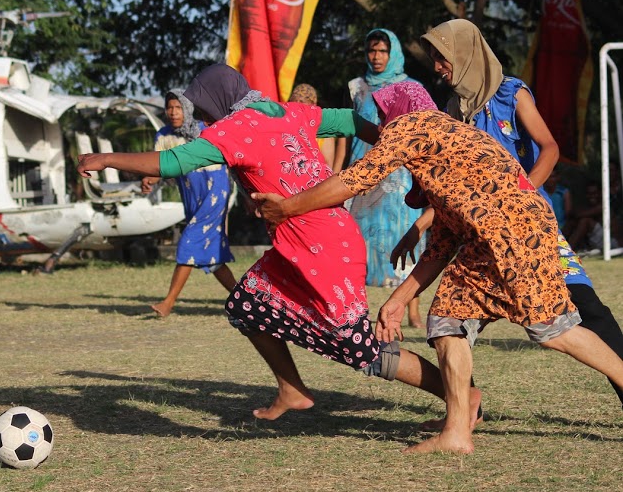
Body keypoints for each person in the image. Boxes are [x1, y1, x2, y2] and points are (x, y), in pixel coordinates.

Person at [78, 64, 477, 427]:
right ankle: (292, 390)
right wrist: (395, 150)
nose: (200, 116)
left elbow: (173, 163)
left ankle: (461, 396)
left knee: (362, 351)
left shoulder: (232, 130)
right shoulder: (288, 113)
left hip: (322, 249)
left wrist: (108, 157)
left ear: (218, 101)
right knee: (244, 305)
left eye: (202, 107)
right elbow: (351, 121)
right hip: (313, 241)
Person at [253, 80, 623, 454]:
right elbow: (441, 246)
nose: (381, 127)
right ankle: (457, 433)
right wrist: (398, 300)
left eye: (383, 115)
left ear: (395, 110)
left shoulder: (411, 125)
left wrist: (286, 208)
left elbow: (356, 180)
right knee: (448, 321)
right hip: (499, 236)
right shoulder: (447, 141)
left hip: (513, 235)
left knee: (553, 329)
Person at [395, 18, 623, 409]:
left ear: (465, 52)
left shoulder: (510, 93)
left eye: (442, 57)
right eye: (434, 58)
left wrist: (521, 191)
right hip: (480, 237)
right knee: (452, 317)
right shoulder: (452, 111)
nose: (437, 67)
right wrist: (420, 224)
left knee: (587, 308)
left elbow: (549, 148)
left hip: (528, 227)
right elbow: (456, 188)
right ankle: (466, 411)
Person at [345, 29, 424, 328]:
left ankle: (412, 311)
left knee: (406, 237)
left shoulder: (412, 87)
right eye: (371, 51)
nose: (376, 57)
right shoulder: (356, 87)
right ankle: (358, 308)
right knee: (359, 241)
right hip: (363, 173)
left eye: (382, 51)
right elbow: (347, 129)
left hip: (400, 177)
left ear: (393, 54)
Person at [141, 89, 236, 317]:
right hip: (191, 194)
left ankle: (168, 303)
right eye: (170, 108)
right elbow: (161, 168)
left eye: (178, 107)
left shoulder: (207, 129)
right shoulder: (164, 136)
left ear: (187, 108)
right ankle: (244, 300)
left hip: (215, 191)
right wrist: (150, 179)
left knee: (189, 242)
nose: (173, 113)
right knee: (212, 257)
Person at [288, 83, 345, 172]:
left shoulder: (323, 132)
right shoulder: (287, 128)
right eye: (294, 102)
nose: (297, 107)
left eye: (302, 102)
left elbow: (327, 166)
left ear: (313, 105)